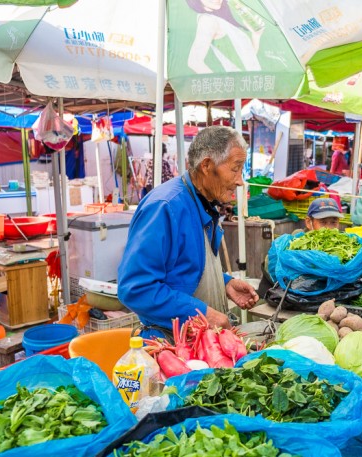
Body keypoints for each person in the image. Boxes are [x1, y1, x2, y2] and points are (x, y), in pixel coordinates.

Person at [118, 126, 259, 336]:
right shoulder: (164, 207)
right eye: (235, 168)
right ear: (206, 165)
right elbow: (136, 288)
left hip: (202, 339)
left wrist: (225, 283)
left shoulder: (204, 201)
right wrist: (203, 314)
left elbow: (183, 269)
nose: (240, 180)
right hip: (170, 343)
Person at [186, 0, 264, 74]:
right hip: (240, 84)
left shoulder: (221, 16)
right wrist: (223, 86)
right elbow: (194, 62)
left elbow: (248, 58)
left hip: (252, 81)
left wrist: (256, 35)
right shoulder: (207, 21)